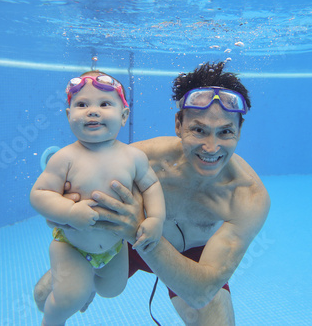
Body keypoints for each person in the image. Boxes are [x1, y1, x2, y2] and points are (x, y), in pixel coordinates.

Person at [34, 62, 270, 325]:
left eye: (225, 131)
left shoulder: (247, 196)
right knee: (43, 297)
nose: (211, 147)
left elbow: (201, 292)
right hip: (122, 242)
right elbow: (70, 188)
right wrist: (63, 211)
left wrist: (135, 229)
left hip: (191, 259)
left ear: (239, 130)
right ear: (179, 124)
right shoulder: (146, 158)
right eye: (199, 130)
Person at [30, 70, 166, 326]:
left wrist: (156, 218)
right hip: (72, 245)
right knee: (71, 297)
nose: (92, 111)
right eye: (82, 105)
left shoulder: (133, 157)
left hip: (114, 247)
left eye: (105, 104)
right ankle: (51, 320)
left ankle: (88, 283)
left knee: (113, 289)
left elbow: (151, 186)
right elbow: (39, 194)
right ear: (69, 114)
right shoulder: (65, 158)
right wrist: (69, 213)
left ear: (124, 116)